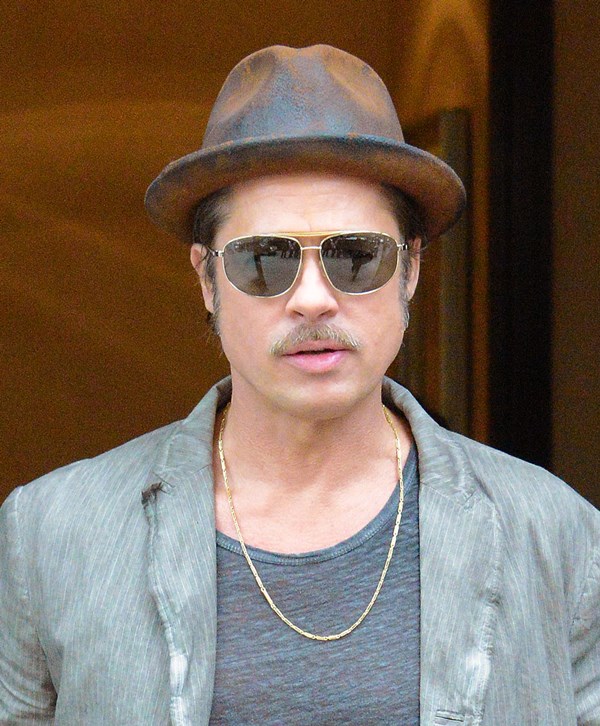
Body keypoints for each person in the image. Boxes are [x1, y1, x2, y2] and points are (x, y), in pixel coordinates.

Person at [0, 44, 598, 726]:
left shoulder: (555, 535)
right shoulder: (51, 536)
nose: (313, 299)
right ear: (206, 279)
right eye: (264, 259)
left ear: (410, 271)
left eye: (356, 256)